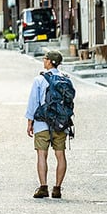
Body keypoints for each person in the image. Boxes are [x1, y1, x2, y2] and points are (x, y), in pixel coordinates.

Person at [25, 50, 68, 199]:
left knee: (41, 155)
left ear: (49, 62)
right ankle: (57, 189)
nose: (44, 61)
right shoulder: (65, 78)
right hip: (61, 123)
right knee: (60, 155)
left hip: (42, 122)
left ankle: (43, 187)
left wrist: (30, 121)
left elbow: (33, 102)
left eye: (45, 59)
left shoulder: (39, 80)